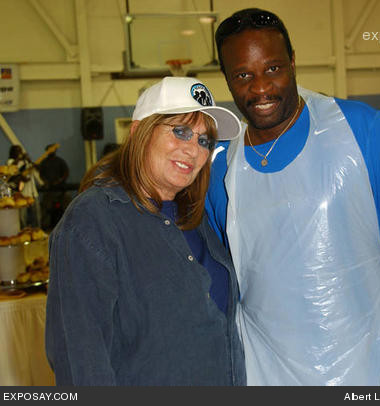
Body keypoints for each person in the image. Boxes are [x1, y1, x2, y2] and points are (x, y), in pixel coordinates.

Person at [206, 8, 380, 386]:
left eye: (273, 68)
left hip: (374, 369)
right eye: (243, 75)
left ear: (292, 62)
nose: (260, 88)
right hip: (268, 375)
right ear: (227, 79)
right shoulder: (223, 170)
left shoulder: (358, 129)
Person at [45, 77, 246, 386]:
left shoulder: (194, 216)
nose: (193, 150)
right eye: (180, 131)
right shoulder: (93, 221)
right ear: (140, 131)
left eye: (204, 140)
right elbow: (80, 362)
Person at [7, 145, 43, 227]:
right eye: (17, 151)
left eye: (20, 151)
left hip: (32, 192)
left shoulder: (26, 162)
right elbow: (13, 171)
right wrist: (19, 159)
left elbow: (37, 168)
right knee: (22, 217)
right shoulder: (11, 161)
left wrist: (28, 160)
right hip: (22, 193)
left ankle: (37, 230)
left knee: (37, 215)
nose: (19, 153)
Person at [38, 145, 70, 230]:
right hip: (49, 191)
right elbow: (41, 175)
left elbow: (66, 173)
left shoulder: (60, 161)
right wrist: (46, 182)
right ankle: (45, 227)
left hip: (61, 190)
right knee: (45, 208)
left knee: (68, 206)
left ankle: (69, 225)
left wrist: (59, 181)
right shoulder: (44, 162)